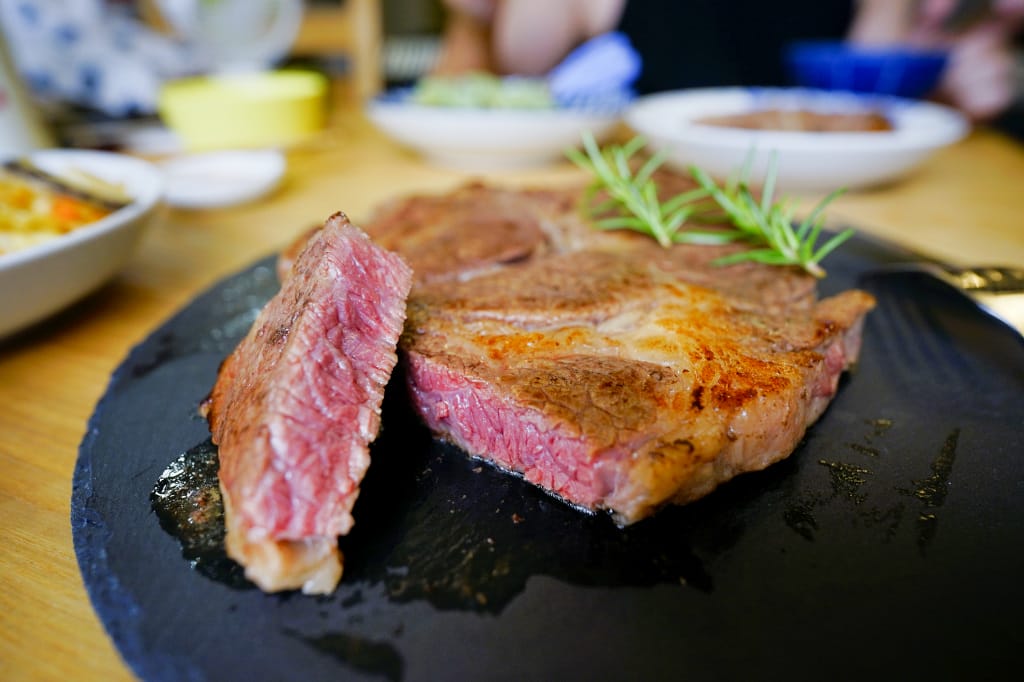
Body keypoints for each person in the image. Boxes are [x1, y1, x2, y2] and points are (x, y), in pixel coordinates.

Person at [434, 0, 1024, 122]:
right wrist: (475, 24)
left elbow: (876, 99)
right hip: (659, 208)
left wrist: (947, 84)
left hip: (842, 218)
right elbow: (514, 61)